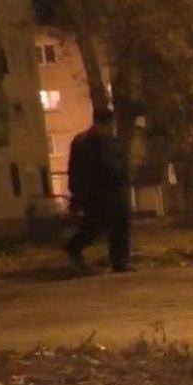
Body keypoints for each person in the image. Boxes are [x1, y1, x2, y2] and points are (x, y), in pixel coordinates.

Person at [64, 109, 131, 272]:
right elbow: (79, 169)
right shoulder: (87, 142)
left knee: (120, 223)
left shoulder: (107, 142)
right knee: (98, 224)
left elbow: (119, 164)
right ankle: (74, 246)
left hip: (111, 190)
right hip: (97, 192)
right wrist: (78, 194)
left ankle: (119, 262)